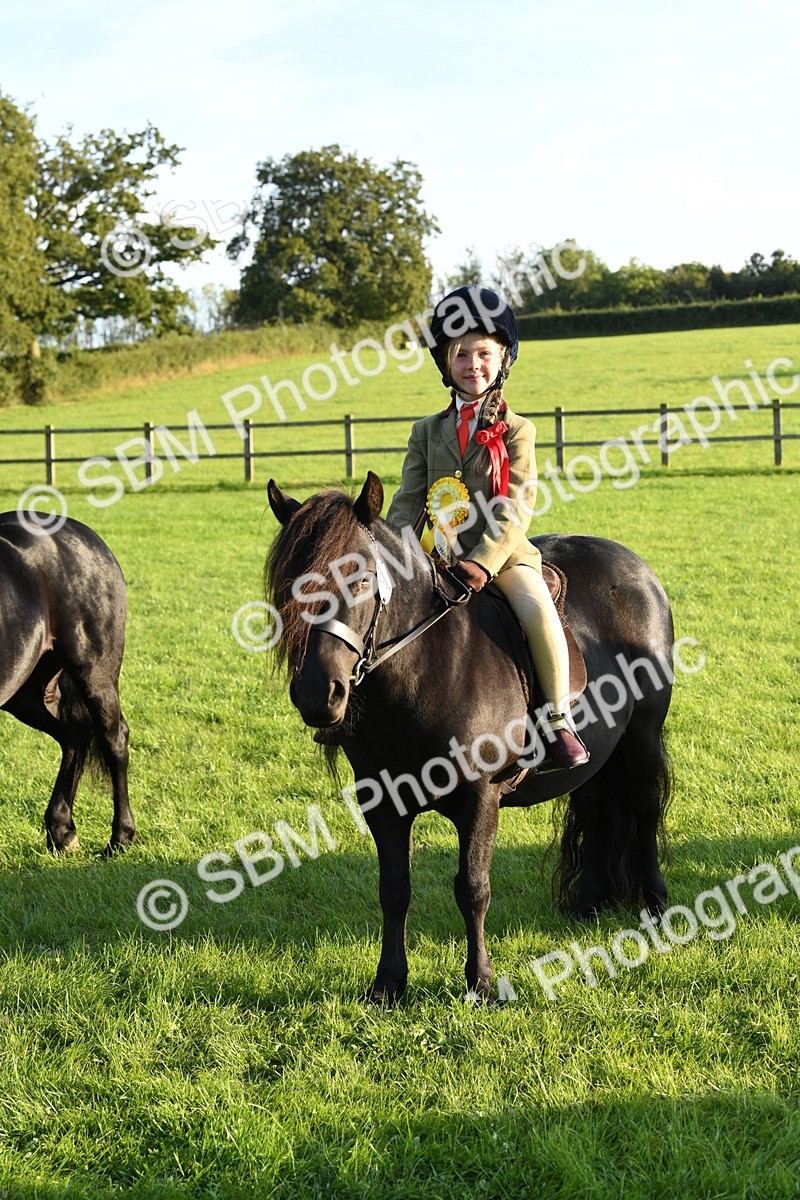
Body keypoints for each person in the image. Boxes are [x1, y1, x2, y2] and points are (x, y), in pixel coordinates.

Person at [386, 285, 589, 771]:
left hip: (502, 557)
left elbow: (517, 505)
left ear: (502, 360)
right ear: (444, 364)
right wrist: (393, 550)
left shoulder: (518, 430)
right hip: (435, 553)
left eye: (483, 354)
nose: (471, 364)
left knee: (536, 609)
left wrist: (481, 560)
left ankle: (558, 723)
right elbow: (409, 499)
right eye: (460, 355)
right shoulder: (425, 432)